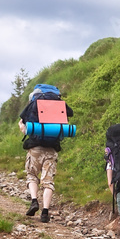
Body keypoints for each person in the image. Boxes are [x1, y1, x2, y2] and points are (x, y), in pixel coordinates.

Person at [18, 85, 73, 223]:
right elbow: (70, 113)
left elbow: (24, 124)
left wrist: (23, 128)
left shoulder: (32, 105)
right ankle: (45, 212)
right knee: (48, 181)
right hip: (52, 149)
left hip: (35, 148)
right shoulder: (59, 105)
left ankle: (34, 201)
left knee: (31, 175)